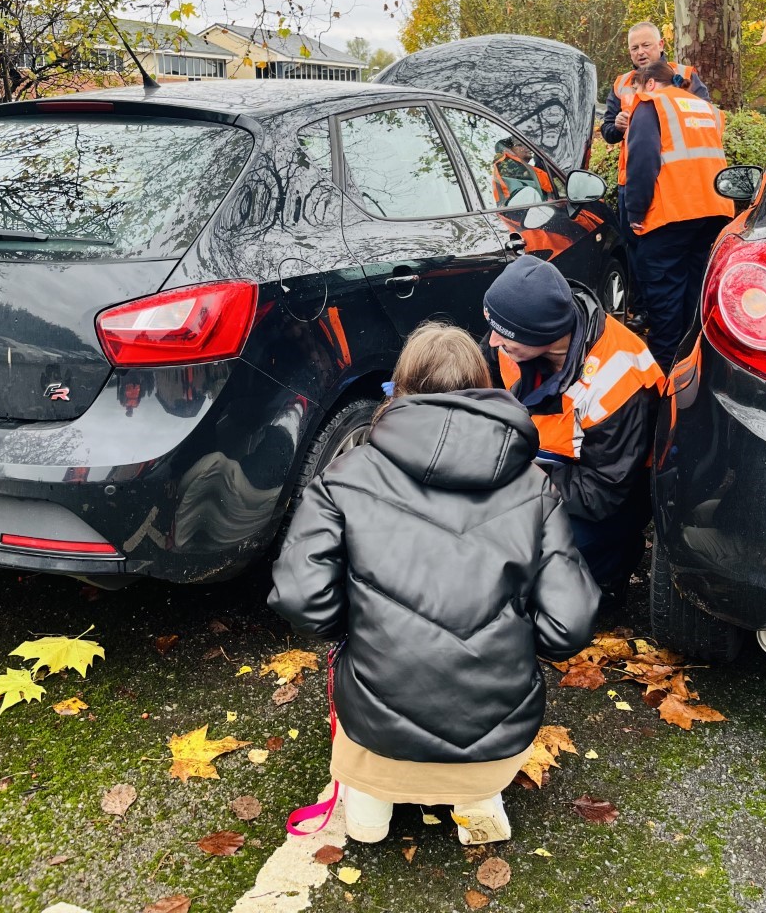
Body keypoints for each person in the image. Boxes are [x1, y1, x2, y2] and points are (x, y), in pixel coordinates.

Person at [269, 322, 599, 847]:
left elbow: (300, 596)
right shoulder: (536, 486)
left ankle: (370, 815)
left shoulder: (345, 475)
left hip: (376, 733)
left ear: (400, 388)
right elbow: (569, 624)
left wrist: (358, 629)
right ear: (482, 386)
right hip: (496, 740)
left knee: (368, 806)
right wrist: (505, 645)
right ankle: (476, 802)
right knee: (479, 779)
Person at [481, 255, 663, 597]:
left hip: (607, 498)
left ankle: (608, 577)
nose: (491, 342)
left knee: (535, 561)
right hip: (539, 469)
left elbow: (602, 493)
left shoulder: (620, 377)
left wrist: (516, 486)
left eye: (504, 336)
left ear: (544, 336)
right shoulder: (514, 336)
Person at [624, 59, 733, 373]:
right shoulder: (703, 108)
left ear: (650, 83)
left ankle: (665, 377)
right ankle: (693, 364)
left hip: (672, 215)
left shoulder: (652, 104)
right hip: (713, 211)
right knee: (693, 293)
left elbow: (642, 162)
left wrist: (635, 211)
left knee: (663, 298)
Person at [600, 22, 710, 332]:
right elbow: (607, 131)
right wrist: (617, 126)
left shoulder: (685, 77)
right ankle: (647, 311)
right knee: (637, 255)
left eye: (646, 45)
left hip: (675, 186)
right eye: (635, 48)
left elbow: (702, 119)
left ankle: (674, 323)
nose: (641, 52)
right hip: (631, 184)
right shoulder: (622, 83)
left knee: (668, 261)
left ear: (661, 44)